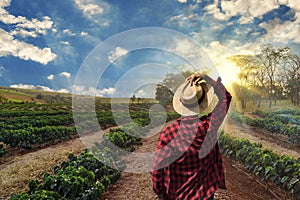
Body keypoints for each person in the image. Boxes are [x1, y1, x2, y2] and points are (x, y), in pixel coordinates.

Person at [151, 72, 232, 200]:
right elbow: (225, 98)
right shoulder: (210, 126)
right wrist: (208, 79)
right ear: (200, 105)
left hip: (178, 195)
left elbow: (157, 168)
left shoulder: (168, 133)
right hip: (204, 194)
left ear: (181, 103)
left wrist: (160, 191)